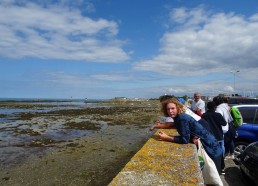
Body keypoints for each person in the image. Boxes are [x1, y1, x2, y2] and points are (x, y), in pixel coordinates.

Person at [157, 98, 223, 174]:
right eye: (168, 109)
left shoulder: (181, 118)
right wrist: (191, 139)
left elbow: (184, 140)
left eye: (172, 108)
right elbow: (187, 133)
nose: (170, 111)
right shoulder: (179, 117)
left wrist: (166, 137)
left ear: (178, 108)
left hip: (211, 150)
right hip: (212, 146)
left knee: (212, 177)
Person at [201, 101, 227, 174]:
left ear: (207, 107)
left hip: (209, 137)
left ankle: (212, 169)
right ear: (214, 107)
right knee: (220, 153)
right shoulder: (218, 115)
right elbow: (224, 123)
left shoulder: (204, 115)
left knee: (210, 153)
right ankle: (221, 168)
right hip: (218, 136)